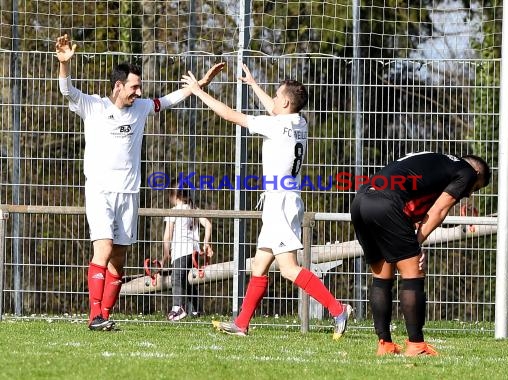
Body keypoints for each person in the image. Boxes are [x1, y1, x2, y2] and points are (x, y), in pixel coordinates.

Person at [55, 33, 225, 331]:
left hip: (129, 194)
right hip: (100, 191)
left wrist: (200, 86)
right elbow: (67, 91)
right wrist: (64, 65)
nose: (138, 91)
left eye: (139, 87)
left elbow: (168, 100)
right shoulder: (93, 106)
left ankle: (104, 315)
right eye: (134, 86)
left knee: (119, 259)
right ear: (118, 86)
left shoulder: (142, 107)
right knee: (103, 248)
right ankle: (95, 315)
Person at [180, 64, 352, 339]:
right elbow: (276, 108)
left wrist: (198, 92)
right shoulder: (299, 122)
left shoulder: (275, 125)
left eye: (275, 96)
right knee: (259, 266)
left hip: (280, 203)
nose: (271, 100)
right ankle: (241, 324)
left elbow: (231, 115)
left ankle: (338, 309)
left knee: (289, 269)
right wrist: (252, 84)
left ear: (285, 101)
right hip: (284, 199)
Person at [350, 151, 491, 356]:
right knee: (413, 273)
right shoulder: (467, 171)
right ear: (476, 173)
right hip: (386, 204)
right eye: (475, 188)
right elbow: (438, 211)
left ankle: (385, 344)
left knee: (381, 277)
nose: (469, 194)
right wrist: (415, 245)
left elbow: (408, 197)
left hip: (361, 201)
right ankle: (416, 345)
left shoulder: (436, 161)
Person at [161, 184, 214, 321]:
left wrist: (166, 254)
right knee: (188, 280)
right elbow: (208, 224)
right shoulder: (193, 209)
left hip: (180, 250)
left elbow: (167, 235)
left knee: (177, 278)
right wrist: (206, 242)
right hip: (193, 250)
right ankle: (195, 311)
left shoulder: (173, 211)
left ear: (175, 196)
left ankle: (177, 308)